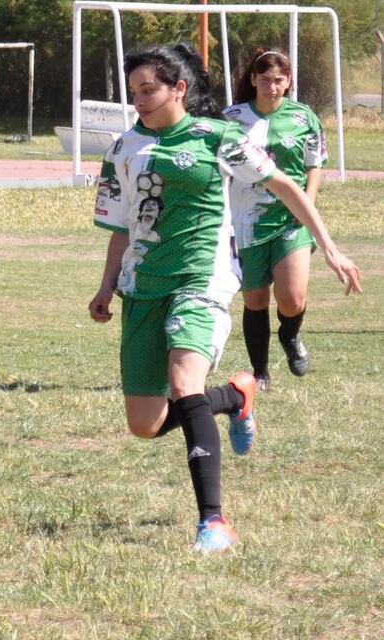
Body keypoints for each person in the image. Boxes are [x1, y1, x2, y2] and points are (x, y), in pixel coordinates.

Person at [88, 44, 361, 554]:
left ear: (179, 89)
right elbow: (122, 228)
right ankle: (236, 397)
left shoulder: (219, 137)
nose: (140, 100)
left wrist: (329, 247)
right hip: (143, 288)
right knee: (145, 425)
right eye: (134, 93)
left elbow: (285, 184)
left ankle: (212, 523)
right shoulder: (123, 148)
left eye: (149, 90)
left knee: (184, 381)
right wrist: (106, 287)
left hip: (203, 279)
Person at [223, 49, 361, 390]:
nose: (272, 87)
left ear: (289, 82)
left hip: (292, 219)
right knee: (255, 300)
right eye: (266, 79)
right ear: (253, 80)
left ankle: (290, 334)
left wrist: (307, 201)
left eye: (279, 80)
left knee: (292, 297)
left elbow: (315, 163)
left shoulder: (303, 118)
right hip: (246, 222)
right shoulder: (231, 118)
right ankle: (261, 374)